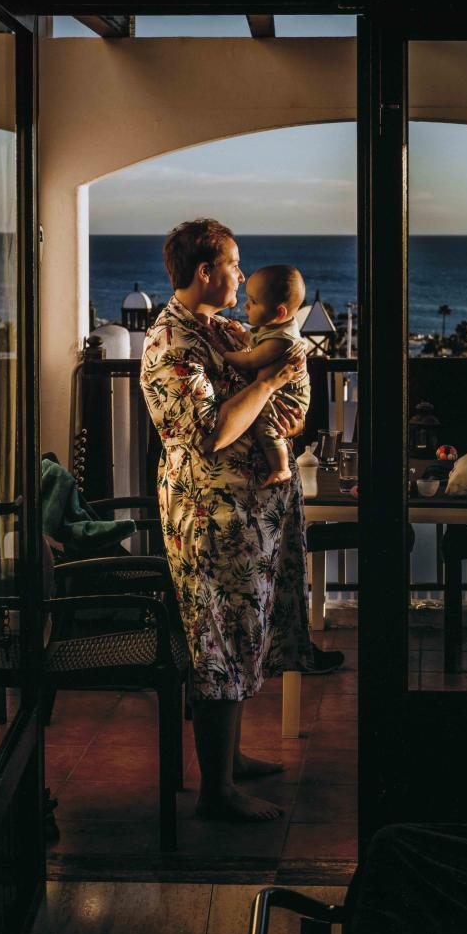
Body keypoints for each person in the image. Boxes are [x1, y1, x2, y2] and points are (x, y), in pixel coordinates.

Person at [140, 219, 315, 822]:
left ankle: (231, 759)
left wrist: (276, 399)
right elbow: (210, 432)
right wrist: (267, 381)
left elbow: (282, 392)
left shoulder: (218, 329)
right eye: (235, 265)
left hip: (246, 517)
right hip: (212, 521)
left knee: (240, 638)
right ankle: (217, 790)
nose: (242, 275)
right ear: (205, 271)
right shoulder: (171, 343)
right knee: (217, 641)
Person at [222, 264, 311, 487]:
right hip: (282, 392)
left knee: (267, 425)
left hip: (289, 396)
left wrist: (226, 354)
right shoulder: (273, 327)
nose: (246, 305)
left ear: (279, 312)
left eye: (253, 302)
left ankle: (280, 468)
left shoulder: (281, 340)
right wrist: (243, 336)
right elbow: (255, 341)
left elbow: (252, 359)